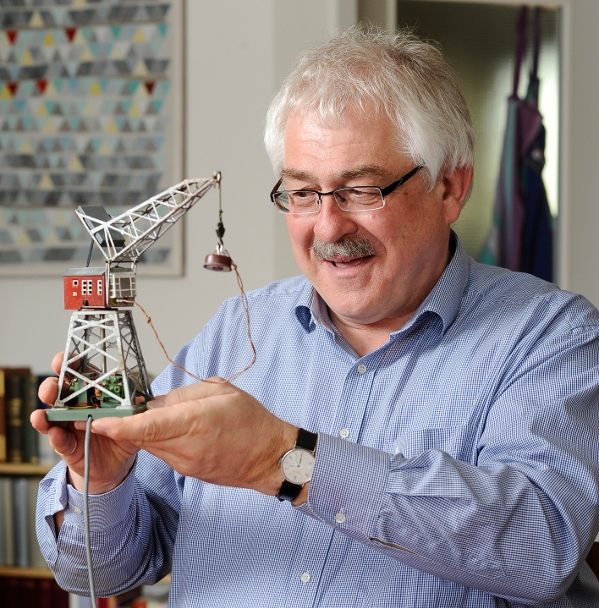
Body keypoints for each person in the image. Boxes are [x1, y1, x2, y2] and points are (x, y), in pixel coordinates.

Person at [33, 26, 599, 607]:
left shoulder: (551, 336)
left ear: (451, 187)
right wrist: (100, 481)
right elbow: (104, 569)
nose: (328, 229)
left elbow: (543, 544)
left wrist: (284, 460)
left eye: (360, 189)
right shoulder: (235, 331)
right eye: (303, 193)